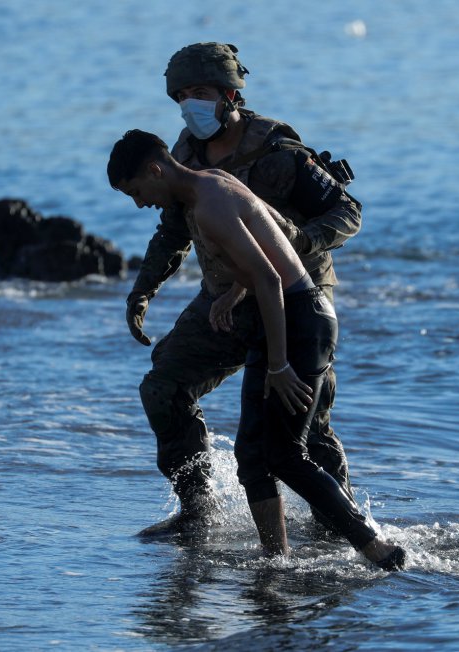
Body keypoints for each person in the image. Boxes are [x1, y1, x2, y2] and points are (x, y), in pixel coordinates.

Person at [109, 129, 405, 571]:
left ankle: (376, 548)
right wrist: (231, 294)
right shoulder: (211, 181)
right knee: (252, 454)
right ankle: (276, 558)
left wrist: (280, 364)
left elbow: (270, 279)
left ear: (155, 170)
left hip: (301, 320)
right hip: (285, 316)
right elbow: (266, 249)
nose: (140, 203)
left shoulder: (208, 204)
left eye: (136, 192)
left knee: (287, 453)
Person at [126, 42, 363, 531]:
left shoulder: (277, 150)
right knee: (164, 385)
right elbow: (172, 231)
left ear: (231, 94)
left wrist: (302, 241)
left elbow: (347, 211)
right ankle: (197, 511)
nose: (190, 104)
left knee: (307, 426)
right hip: (228, 300)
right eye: (181, 96)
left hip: (299, 298)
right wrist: (143, 290)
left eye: (201, 92)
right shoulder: (184, 153)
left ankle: (337, 527)